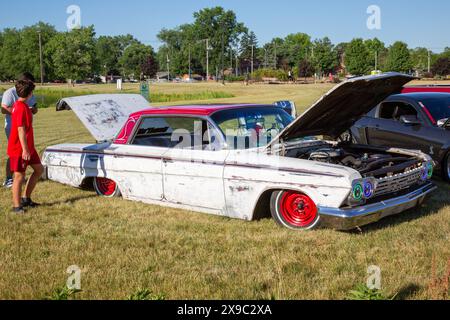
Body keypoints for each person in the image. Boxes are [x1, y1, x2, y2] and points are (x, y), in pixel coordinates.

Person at [7, 80, 43, 214]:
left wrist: (29, 148)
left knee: (39, 170)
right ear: (29, 94)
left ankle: (26, 198)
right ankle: (16, 207)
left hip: (29, 147)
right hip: (20, 149)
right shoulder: (20, 108)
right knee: (19, 176)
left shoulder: (22, 105)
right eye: (32, 92)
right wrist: (25, 150)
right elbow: (20, 130)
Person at [1, 72, 38, 188]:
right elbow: (3, 109)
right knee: (15, 153)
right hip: (12, 127)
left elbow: (34, 107)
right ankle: (9, 178)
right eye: (31, 83)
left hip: (26, 127)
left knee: (25, 151)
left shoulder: (30, 92)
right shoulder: (9, 92)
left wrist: (33, 110)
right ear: (24, 82)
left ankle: (20, 174)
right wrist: (19, 111)